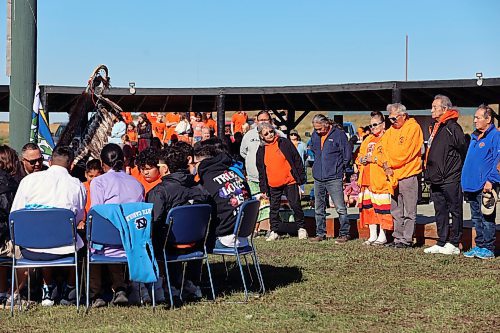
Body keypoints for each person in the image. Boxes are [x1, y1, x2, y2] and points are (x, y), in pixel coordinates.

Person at [11, 145, 86, 306]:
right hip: (64, 249)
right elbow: (78, 217)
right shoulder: (77, 185)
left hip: (31, 249)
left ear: (50, 162)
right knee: (74, 238)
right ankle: (70, 288)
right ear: (71, 164)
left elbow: (15, 214)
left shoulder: (28, 181)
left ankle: (48, 288)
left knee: (44, 233)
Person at [147, 146, 209, 299]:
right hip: (197, 242)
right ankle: (189, 282)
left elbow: (153, 221)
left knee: (152, 233)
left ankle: (169, 284)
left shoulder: (159, 192)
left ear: (166, 168)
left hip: (169, 243)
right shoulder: (200, 188)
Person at [88, 143, 144, 307]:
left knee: (95, 242)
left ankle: (95, 294)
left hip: (108, 242)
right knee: (113, 236)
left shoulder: (98, 182)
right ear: (124, 160)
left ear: (102, 163)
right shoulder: (136, 183)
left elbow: (97, 214)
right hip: (132, 242)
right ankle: (120, 288)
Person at [423, 95, 467, 255]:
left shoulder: (452, 127)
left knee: (454, 209)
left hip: (450, 177)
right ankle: (442, 241)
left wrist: (454, 169)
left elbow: (463, 149)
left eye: (435, 107)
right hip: (436, 178)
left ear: (445, 109)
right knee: (440, 210)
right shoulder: (436, 127)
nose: (432, 110)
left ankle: (454, 243)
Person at [377, 103, 423, 248]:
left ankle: (407, 239)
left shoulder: (413, 128)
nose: (392, 121)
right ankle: (397, 238)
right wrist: (385, 165)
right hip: (392, 177)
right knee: (396, 210)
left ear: (403, 115)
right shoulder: (390, 131)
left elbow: (404, 154)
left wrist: (388, 164)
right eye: (389, 118)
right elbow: (380, 150)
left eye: (394, 118)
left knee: (410, 211)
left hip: (408, 175)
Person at [194, 138, 251, 249]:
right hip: (244, 235)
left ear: (202, 162)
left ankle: (193, 267)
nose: (194, 166)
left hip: (224, 238)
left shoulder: (206, 182)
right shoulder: (234, 173)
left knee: (193, 239)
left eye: (195, 163)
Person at [255, 123, 307, 241]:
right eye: (266, 134)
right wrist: (263, 188)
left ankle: (301, 228)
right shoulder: (261, 149)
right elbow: (261, 170)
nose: (269, 135)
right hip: (273, 183)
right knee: (273, 208)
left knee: (295, 204)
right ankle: (274, 230)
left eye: (271, 131)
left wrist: (301, 178)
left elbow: (296, 159)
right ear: (261, 136)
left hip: (290, 180)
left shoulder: (284, 142)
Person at [462, 105, 500, 260]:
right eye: (474, 117)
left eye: (478, 118)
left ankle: (488, 248)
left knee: (487, 217)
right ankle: (479, 245)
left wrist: (491, 180)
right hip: (472, 185)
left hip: (486, 185)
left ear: (488, 119)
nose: (475, 120)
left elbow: (498, 161)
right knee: (476, 218)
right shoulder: (474, 137)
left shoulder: (495, 136)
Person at [309, 114, 352, 243]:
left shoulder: (339, 134)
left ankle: (344, 233)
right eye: (315, 129)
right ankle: (320, 233)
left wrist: (340, 168)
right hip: (318, 176)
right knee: (319, 207)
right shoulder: (315, 135)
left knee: (340, 207)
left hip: (334, 176)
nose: (317, 131)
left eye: (319, 129)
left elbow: (347, 154)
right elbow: (314, 151)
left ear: (326, 125)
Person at [240, 111, 284, 233]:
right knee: (255, 203)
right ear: (256, 121)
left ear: (270, 120)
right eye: (261, 120)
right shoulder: (249, 135)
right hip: (253, 177)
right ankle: (254, 228)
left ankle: (271, 227)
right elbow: (243, 152)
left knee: (270, 203)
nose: (263, 122)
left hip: (272, 176)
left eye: (266, 119)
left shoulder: (279, 134)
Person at [356, 111, 395, 245]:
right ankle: (372, 235)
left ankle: (383, 235)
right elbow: (359, 156)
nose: (372, 128)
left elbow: (389, 158)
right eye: (370, 125)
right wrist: (361, 159)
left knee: (382, 208)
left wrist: (374, 158)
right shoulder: (367, 139)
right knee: (369, 209)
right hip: (366, 179)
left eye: (375, 125)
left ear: (383, 124)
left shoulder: (388, 138)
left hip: (379, 179)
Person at [0, 145, 22, 305]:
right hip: (5, 238)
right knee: (30, 254)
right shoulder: (10, 184)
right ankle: (12, 294)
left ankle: (2, 290)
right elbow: (10, 214)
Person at [79, 159, 104, 230]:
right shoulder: (82, 187)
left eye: (96, 177)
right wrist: (81, 220)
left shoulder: (105, 188)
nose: (94, 180)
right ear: (85, 174)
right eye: (91, 176)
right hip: (85, 222)